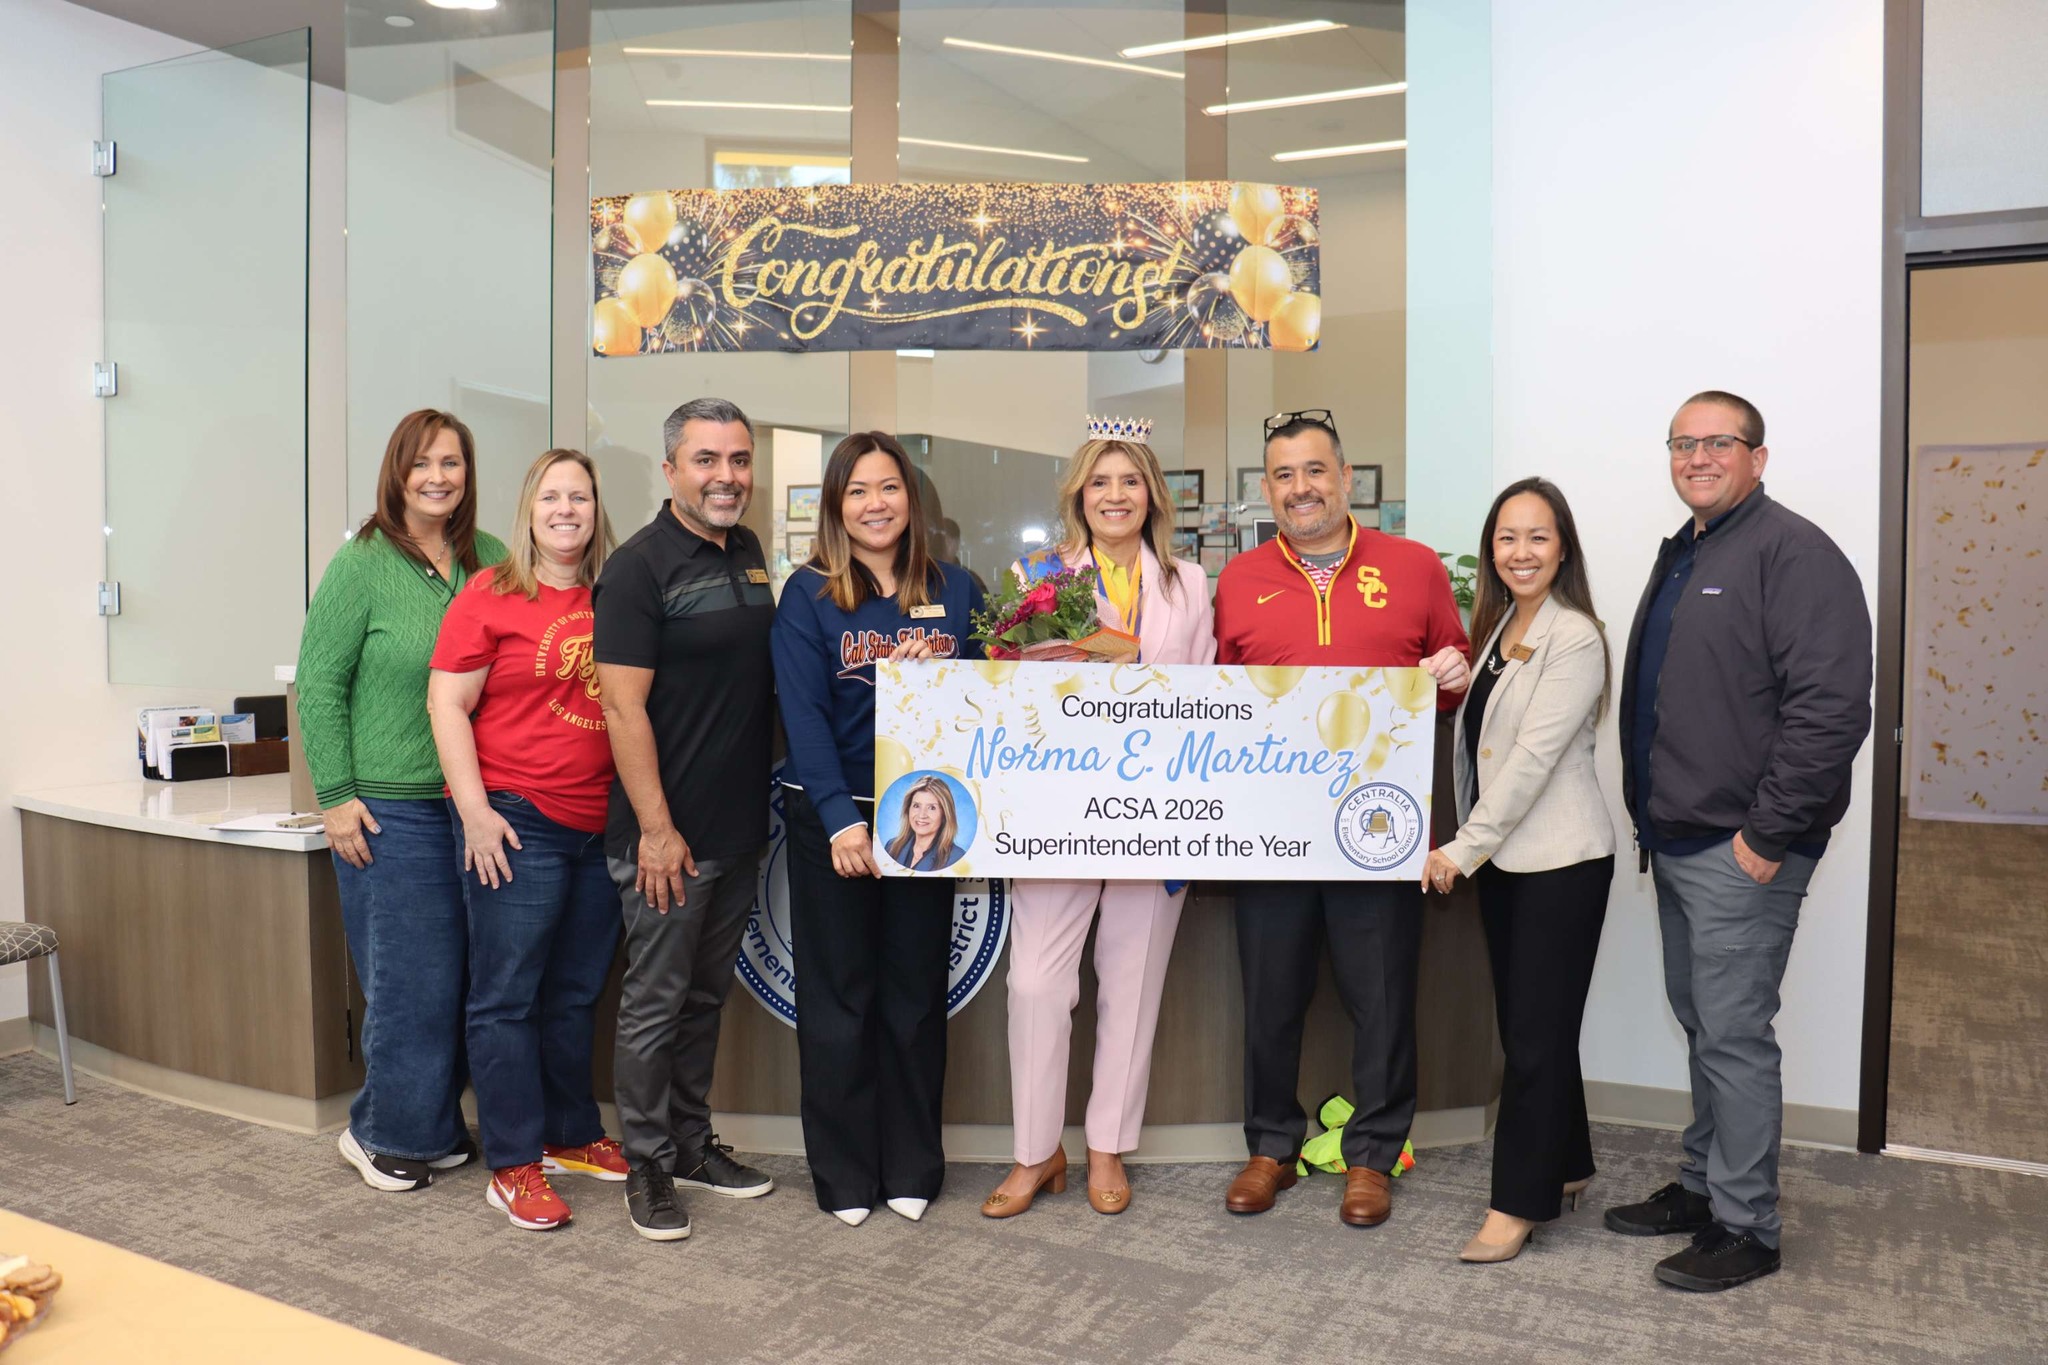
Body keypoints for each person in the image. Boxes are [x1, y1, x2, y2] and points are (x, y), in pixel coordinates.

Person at [1604, 391, 1871, 1291]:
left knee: (1734, 1036)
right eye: (1684, 442)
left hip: (1740, 848)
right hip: (1678, 841)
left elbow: (1831, 710)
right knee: (1705, 1025)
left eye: (1719, 442)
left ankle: (1748, 1227)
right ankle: (1703, 1188)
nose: (1698, 456)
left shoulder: (1794, 552)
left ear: (1759, 456)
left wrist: (1767, 831)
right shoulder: (1689, 549)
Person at [1212, 409, 1471, 1228]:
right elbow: (1221, 703)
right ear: (1267, 488)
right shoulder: (1239, 578)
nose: (1300, 489)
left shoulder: (1414, 566)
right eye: (1284, 476)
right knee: (1271, 997)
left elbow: (1454, 680)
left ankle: (1374, 1151)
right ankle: (1270, 1146)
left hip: (1378, 829)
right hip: (1275, 832)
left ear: (1346, 477)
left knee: (1383, 995)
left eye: (1314, 471)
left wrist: (1455, 671)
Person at [981, 420, 1215, 1220]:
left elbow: (1209, 695)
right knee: (1036, 983)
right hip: (1060, 803)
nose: (1115, 496)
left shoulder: (1190, 584)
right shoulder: (1038, 576)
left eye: (1130, 481)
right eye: (1100, 482)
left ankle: (1107, 1144)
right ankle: (1035, 1151)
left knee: (1132, 978)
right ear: (1079, 494)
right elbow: (1010, 691)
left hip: (1157, 807)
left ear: (1152, 494)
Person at [771, 431, 985, 1227]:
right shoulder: (809, 596)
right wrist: (837, 819)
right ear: (836, 505)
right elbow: (805, 715)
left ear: (911, 497)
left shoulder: (957, 589)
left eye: (888, 487)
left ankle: (912, 1165)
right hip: (837, 822)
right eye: (857, 490)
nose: (875, 504)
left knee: (914, 996)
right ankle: (845, 1174)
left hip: (926, 820)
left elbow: (987, 703)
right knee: (840, 1000)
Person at [297, 409, 506, 1192]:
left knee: (459, 977)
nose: (438, 477)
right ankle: (380, 1129)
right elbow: (319, 682)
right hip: (390, 807)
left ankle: (433, 1123)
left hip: (471, 803)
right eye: (422, 464)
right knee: (408, 978)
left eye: (452, 462)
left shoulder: (488, 557)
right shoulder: (363, 559)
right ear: (398, 471)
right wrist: (338, 796)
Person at [427, 448, 627, 1232]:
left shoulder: (617, 596)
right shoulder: (490, 594)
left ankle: (569, 1134)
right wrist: (475, 813)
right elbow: (447, 705)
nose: (567, 509)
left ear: (596, 507)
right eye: (552, 496)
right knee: (506, 997)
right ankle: (511, 1162)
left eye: (580, 496)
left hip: (597, 821)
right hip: (516, 817)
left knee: (574, 993)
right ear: (530, 509)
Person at [595, 398, 779, 1242]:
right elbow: (623, 709)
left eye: (739, 460)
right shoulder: (637, 568)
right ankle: (646, 1163)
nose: (726, 476)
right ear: (671, 469)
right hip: (666, 838)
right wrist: (658, 831)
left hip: (738, 828)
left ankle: (693, 1142)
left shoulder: (747, 553)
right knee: (655, 1001)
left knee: (705, 995)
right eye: (707, 460)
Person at [1419, 477, 1616, 1263]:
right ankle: (1566, 1163)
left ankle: (1518, 1204)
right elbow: (1488, 735)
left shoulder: (1576, 636)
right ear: (1489, 548)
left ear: (1562, 545)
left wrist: (1461, 847)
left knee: (1532, 1040)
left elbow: (1531, 760)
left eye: (1537, 537)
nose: (1520, 551)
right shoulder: (1502, 625)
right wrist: (1459, 682)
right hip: (1510, 862)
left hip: (1560, 862)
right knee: (1536, 1026)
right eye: (1506, 537)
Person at [884, 776, 964, 871]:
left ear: (945, 815)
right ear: (908, 810)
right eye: (916, 806)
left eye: (931, 808)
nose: (922, 815)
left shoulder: (956, 857)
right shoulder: (891, 846)